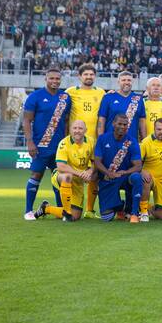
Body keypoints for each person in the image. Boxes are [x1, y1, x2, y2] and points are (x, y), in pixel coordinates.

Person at [22, 67, 71, 221]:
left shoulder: (65, 97)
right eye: (52, 78)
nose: (55, 81)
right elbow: (27, 120)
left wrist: (67, 142)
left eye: (57, 78)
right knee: (37, 174)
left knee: (59, 177)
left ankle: (60, 209)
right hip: (40, 145)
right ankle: (28, 210)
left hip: (59, 147)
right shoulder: (35, 96)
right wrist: (30, 142)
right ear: (46, 79)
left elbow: (67, 121)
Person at [65, 62, 105, 218]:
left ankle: (90, 210)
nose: (89, 77)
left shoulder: (101, 92)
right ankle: (69, 205)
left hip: (94, 141)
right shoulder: (70, 92)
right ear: (79, 76)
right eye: (86, 74)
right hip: (75, 141)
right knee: (74, 174)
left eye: (91, 74)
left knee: (94, 174)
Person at [35, 119, 94, 221]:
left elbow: (95, 162)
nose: (77, 130)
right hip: (61, 175)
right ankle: (67, 213)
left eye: (80, 128)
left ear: (85, 130)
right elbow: (61, 166)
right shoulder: (64, 143)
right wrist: (80, 174)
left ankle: (46, 208)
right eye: (75, 128)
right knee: (67, 176)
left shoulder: (91, 142)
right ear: (70, 130)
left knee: (76, 216)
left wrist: (89, 172)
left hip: (78, 183)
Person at [92, 114, 144, 223]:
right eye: (119, 124)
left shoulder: (132, 141)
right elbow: (97, 161)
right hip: (108, 178)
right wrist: (108, 173)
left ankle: (134, 213)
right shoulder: (102, 139)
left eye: (125, 124)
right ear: (113, 124)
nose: (122, 127)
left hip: (124, 177)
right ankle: (121, 206)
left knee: (136, 177)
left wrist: (125, 172)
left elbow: (138, 165)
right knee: (107, 217)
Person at [97, 71, 145, 142]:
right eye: (123, 80)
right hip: (111, 142)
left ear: (132, 82)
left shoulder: (138, 99)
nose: (126, 82)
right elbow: (101, 120)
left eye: (129, 80)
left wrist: (144, 140)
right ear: (118, 82)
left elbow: (142, 122)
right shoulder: (108, 97)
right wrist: (100, 140)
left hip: (130, 143)